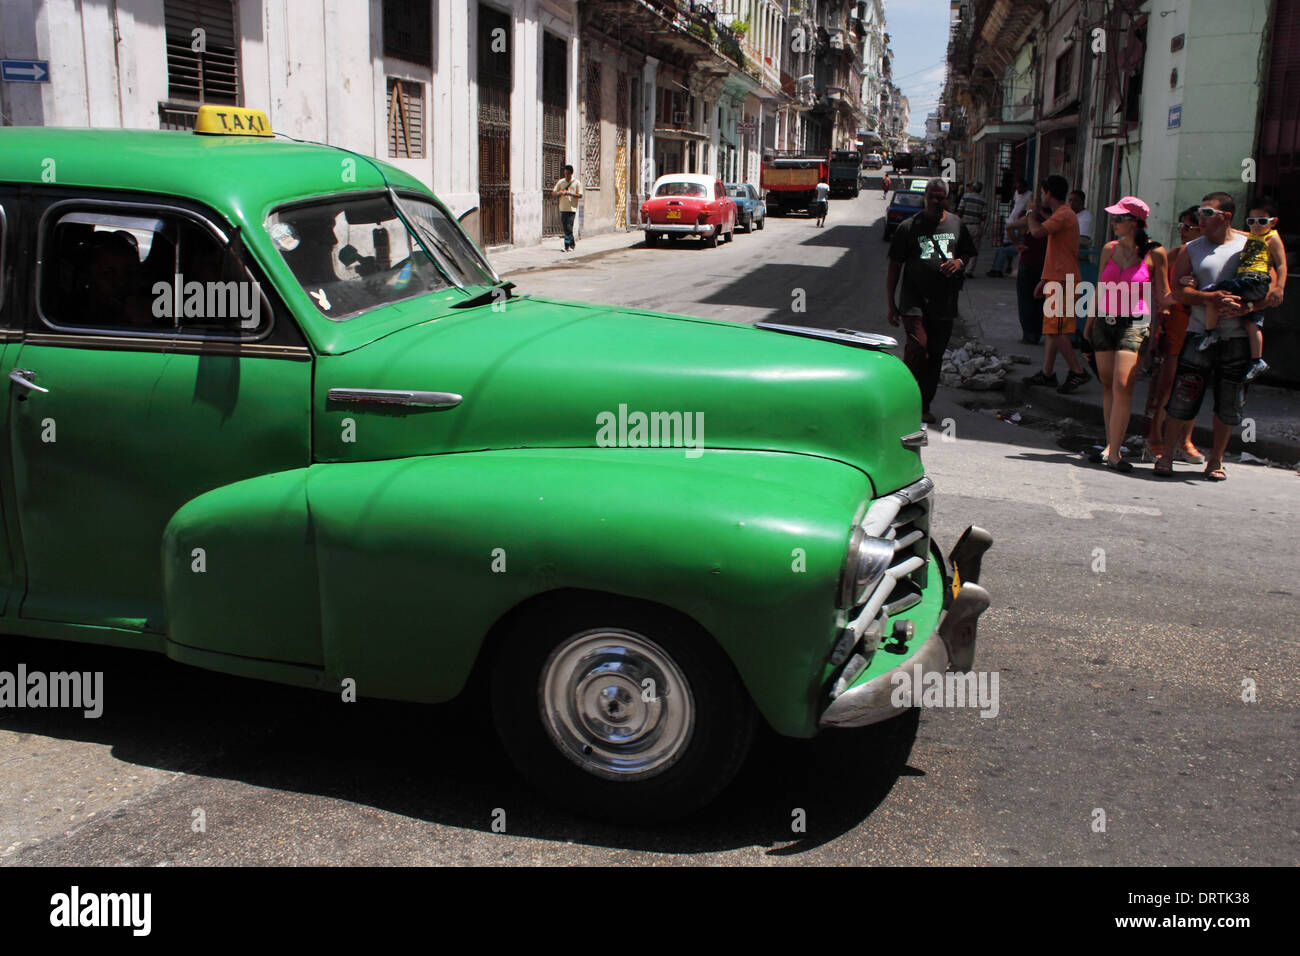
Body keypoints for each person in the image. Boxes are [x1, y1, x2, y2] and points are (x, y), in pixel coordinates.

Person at [1156, 192, 1272, 482]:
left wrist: (1245, 306)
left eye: (1208, 213)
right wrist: (1210, 297)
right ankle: (1167, 455)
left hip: (1237, 339)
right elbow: (1177, 292)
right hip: (1199, 335)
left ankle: (1216, 461)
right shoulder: (1192, 249)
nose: (1200, 219)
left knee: (1229, 402)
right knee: (1183, 396)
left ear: (1227, 216)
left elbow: (1270, 292)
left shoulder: (1252, 245)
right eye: (1200, 213)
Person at [1084, 196, 1170, 473]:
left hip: (1135, 321)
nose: (1114, 222)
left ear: (1136, 222)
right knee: (1108, 384)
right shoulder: (1109, 249)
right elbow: (1100, 285)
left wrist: (1192, 291)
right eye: (1114, 217)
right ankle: (1111, 445)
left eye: (1120, 218)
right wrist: (1090, 318)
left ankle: (1115, 454)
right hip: (1105, 321)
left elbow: (1163, 295)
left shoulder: (1155, 253)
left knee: (1123, 384)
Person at [885, 178, 977, 424]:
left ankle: (924, 405)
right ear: (925, 197)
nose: (937, 201)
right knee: (918, 347)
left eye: (941, 197)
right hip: (913, 300)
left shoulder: (957, 224)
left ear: (948, 198)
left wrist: (958, 262)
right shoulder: (908, 227)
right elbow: (895, 266)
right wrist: (891, 304)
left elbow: (968, 252)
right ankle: (900, 396)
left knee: (935, 355)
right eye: (933, 196)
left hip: (944, 302)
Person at [1191, 198, 1286, 383]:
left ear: (1273, 222)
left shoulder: (1272, 238)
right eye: (1251, 221)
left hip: (1254, 279)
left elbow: (1281, 264)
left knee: (1214, 293)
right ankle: (1257, 360)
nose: (1256, 226)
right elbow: (1237, 231)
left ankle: (1210, 332)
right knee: (1252, 323)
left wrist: (1280, 287)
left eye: (1262, 221)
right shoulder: (1252, 235)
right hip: (1249, 282)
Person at [1144, 206, 1207, 464]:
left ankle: (1184, 440)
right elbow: (1157, 284)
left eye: (1187, 226)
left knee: (1195, 386)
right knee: (1167, 386)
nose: (1182, 230)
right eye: (1180, 225)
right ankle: (1154, 439)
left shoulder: (1208, 256)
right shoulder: (1175, 254)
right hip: (1176, 326)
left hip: (1201, 327)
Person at [1023, 174, 1090, 394]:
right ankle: (1048, 372)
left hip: (1063, 279)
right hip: (1058, 277)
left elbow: (1036, 232)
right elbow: (1056, 252)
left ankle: (1077, 371)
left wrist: (1031, 212)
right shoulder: (1062, 214)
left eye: (1042, 192)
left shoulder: (1063, 214)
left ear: (1048, 192)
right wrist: (1044, 280)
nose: (1041, 196)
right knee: (1052, 330)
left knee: (1057, 330)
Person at [988, 177, 1031, 277]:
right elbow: (1015, 205)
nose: (1018, 189)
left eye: (1020, 187)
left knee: (1005, 248)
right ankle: (998, 268)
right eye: (1017, 187)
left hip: (1018, 223)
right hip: (1012, 220)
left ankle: (999, 268)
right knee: (1004, 245)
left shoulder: (1029, 196)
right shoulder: (1016, 194)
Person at [956, 181, 987, 277]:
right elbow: (984, 217)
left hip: (965, 225)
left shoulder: (966, 197)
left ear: (973, 188)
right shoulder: (983, 200)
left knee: (961, 247)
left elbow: (960, 210)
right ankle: (969, 271)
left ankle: (960, 266)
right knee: (974, 249)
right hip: (976, 226)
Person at [552, 164, 583, 251]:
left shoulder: (576, 182)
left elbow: (580, 195)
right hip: (563, 207)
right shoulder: (561, 182)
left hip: (572, 208)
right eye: (565, 174)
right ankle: (572, 244)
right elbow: (553, 193)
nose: (566, 176)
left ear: (571, 173)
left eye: (567, 174)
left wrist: (570, 194)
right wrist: (560, 193)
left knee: (569, 226)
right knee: (566, 227)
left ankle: (566, 245)